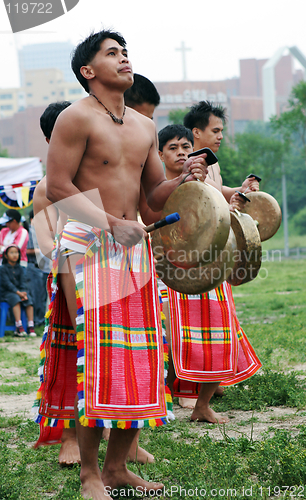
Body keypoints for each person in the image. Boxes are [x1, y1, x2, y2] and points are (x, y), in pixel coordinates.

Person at [34, 30, 208, 500]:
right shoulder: (75, 117)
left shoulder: (144, 127)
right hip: (88, 244)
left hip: (134, 246)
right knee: (102, 356)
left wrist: (181, 178)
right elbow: (56, 187)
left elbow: (150, 205)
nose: (124, 58)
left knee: (145, 355)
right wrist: (111, 222)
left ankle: (117, 467)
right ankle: (91, 473)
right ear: (88, 71)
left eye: (125, 51)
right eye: (112, 53)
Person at [0, 245, 36, 337]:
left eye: (16, 252)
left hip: (19, 293)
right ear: (6, 256)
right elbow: (7, 284)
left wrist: (23, 293)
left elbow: (23, 282)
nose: (15, 255)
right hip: (6, 293)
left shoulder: (20, 268)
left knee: (29, 300)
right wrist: (19, 293)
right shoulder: (2, 269)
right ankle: (18, 326)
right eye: (11, 253)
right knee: (15, 298)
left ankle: (30, 326)